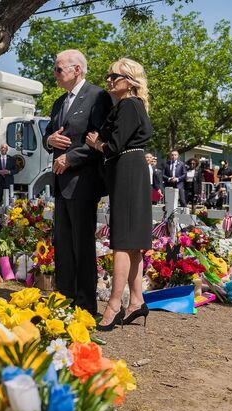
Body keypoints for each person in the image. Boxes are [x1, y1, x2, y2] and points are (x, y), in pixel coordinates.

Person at [43, 49, 112, 315]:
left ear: (77, 70)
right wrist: (49, 140)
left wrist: (71, 158)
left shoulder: (97, 96)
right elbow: (49, 134)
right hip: (61, 183)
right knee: (62, 244)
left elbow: (99, 139)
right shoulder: (59, 102)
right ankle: (65, 298)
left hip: (83, 181)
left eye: (58, 69)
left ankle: (85, 304)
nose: (54, 73)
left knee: (82, 245)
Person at [86, 57, 153, 331]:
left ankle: (114, 305)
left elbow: (113, 146)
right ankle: (137, 301)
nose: (109, 80)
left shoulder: (128, 105)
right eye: (108, 76)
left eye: (115, 76)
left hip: (127, 170)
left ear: (130, 81)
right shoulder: (133, 105)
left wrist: (96, 144)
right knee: (132, 241)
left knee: (123, 242)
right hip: (130, 170)